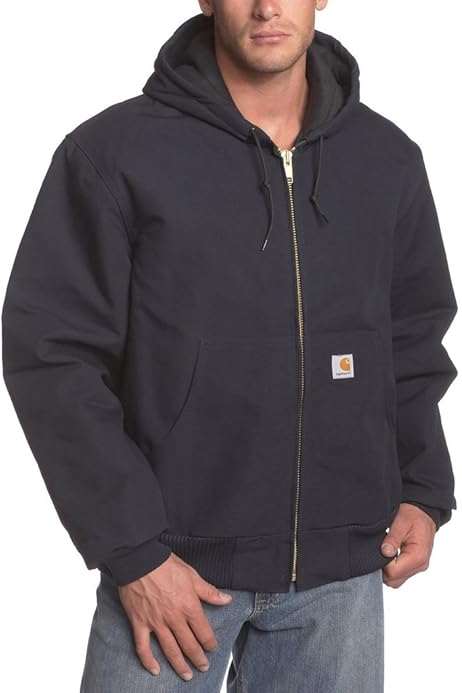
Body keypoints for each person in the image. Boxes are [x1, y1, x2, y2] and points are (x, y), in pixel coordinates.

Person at [1, 1, 457, 691]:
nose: (267, 6)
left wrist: (422, 488)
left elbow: (411, 336)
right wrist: (133, 552)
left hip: (340, 580)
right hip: (171, 575)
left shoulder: (386, 159)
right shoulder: (114, 155)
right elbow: (52, 355)